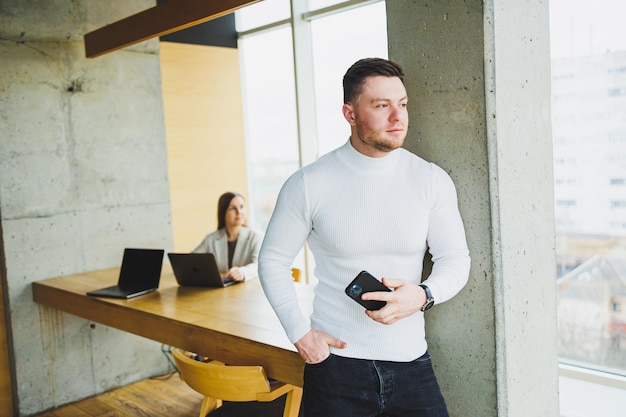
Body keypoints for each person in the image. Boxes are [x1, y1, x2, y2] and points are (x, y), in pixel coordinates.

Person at [258, 58, 471, 416]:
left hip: (410, 364)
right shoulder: (310, 183)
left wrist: (423, 295)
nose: (397, 117)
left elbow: (456, 260)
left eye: (402, 104)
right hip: (335, 367)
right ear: (350, 113)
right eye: (382, 105)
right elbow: (272, 260)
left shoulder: (430, 179)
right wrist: (300, 335)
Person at [193, 191, 263, 281]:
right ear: (223, 213)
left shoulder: (256, 237)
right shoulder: (211, 239)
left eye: (241, 207)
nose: (239, 212)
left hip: (248, 289)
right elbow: (192, 260)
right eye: (232, 208)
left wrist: (242, 272)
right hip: (221, 290)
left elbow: (260, 265)